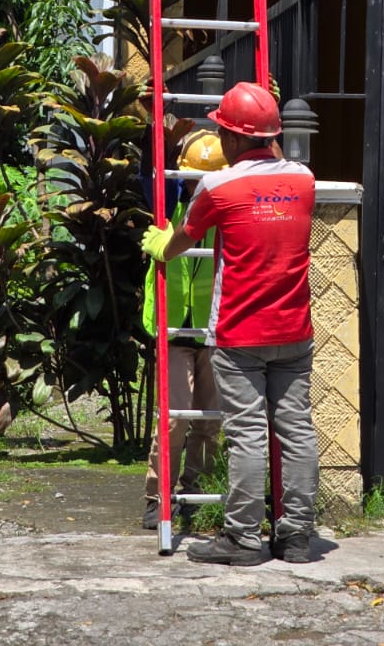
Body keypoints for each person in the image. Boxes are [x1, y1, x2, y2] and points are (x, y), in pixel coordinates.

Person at [142, 82, 318, 566]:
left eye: (222, 130)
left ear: (234, 138)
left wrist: (161, 246)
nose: (218, 137)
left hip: (240, 333)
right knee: (297, 431)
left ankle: (243, 538)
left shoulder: (218, 187)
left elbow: (184, 237)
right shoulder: (304, 181)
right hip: (294, 330)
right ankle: (297, 537)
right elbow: (274, 166)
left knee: (248, 434)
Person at [139, 130, 223, 531]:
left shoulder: (227, 206)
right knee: (173, 420)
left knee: (209, 421)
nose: (195, 186)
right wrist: (155, 134)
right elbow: (150, 176)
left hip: (215, 327)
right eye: (190, 178)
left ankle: (195, 492)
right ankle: (158, 497)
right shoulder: (171, 201)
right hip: (175, 328)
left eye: (201, 180)